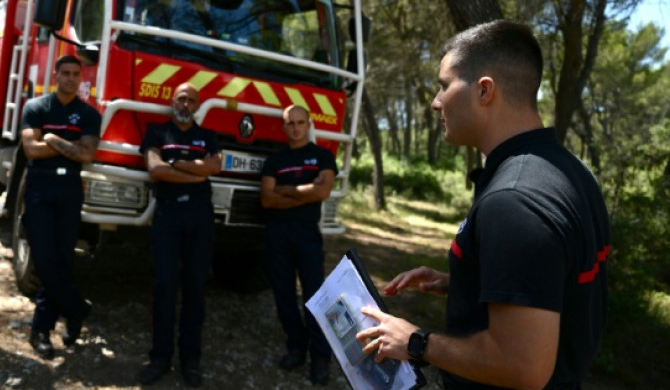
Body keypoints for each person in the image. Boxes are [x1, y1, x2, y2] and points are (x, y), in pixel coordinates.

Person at [355, 20, 610, 389]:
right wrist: (470, 280)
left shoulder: (514, 201)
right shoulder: (571, 170)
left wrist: (415, 342)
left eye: (444, 85)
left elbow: (521, 367)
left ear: (484, 90)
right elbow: (557, 284)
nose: (435, 102)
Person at [136, 83, 221, 388]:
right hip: (168, 215)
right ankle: (160, 358)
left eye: (191, 100)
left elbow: (215, 165)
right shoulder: (157, 133)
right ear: (173, 101)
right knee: (165, 284)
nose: (186, 104)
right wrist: (196, 173)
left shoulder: (208, 136)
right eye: (181, 99)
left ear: (197, 106)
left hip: (200, 216)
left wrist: (178, 165)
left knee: (196, 286)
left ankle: (190, 361)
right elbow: (155, 169)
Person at [19, 55, 101, 360]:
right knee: (43, 258)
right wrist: (69, 145)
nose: (70, 78)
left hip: (69, 190)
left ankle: (41, 330)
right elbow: (31, 149)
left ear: (81, 78)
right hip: (39, 188)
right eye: (65, 73)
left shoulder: (89, 114)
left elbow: (87, 155)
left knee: (63, 258)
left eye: (75, 74)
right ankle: (76, 308)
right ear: (55, 75)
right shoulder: (36, 107)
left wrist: (51, 138)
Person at [260, 105, 337, 386]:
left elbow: (323, 191)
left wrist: (284, 189)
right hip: (277, 234)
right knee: (283, 295)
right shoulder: (275, 160)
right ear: (284, 127)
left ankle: (320, 358)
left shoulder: (323, 156)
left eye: (300, 122)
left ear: (308, 124)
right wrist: (306, 192)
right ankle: (296, 347)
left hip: (307, 234)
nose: (295, 128)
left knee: (315, 296)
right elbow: (267, 200)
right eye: (290, 123)